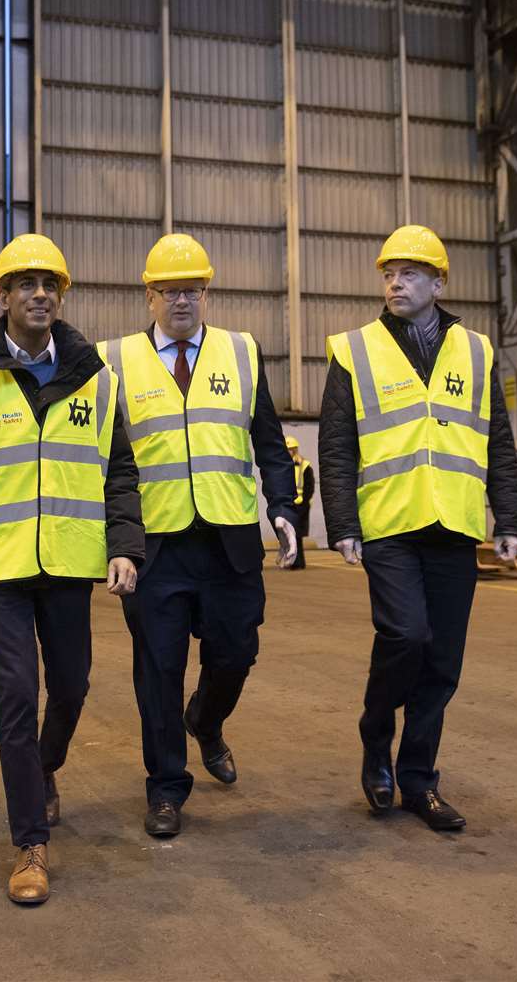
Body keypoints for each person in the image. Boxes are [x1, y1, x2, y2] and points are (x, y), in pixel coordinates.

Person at [0, 233, 143, 906]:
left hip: (71, 561)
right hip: (0, 566)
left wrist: (125, 543)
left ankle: (43, 768)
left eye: (50, 284)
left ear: (61, 296)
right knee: (16, 692)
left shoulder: (96, 378)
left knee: (71, 687)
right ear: (3, 296)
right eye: (25, 284)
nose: (39, 293)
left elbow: (120, 472)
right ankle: (30, 842)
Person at [318, 224, 517, 831]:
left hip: (454, 526)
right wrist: (342, 524)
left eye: (408, 273)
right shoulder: (353, 350)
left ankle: (418, 780)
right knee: (405, 635)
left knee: (442, 662)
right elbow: (336, 447)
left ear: (438, 282)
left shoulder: (478, 351)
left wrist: (508, 516)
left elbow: (498, 443)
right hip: (389, 525)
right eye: (389, 273)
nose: (395, 282)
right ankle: (375, 738)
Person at [98, 233, 298, 840]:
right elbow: (102, 458)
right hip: (153, 547)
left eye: (192, 290)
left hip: (228, 540)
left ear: (206, 293)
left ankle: (206, 721)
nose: (180, 300)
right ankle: (165, 788)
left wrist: (283, 507)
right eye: (168, 291)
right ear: (149, 295)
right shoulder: (113, 361)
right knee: (157, 669)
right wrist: (115, 541)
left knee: (237, 653)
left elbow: (268, 439)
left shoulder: (241, 353)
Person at [285, 434, 315, 571]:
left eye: (291, 449)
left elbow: (310, 486)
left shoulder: (305, 465)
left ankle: (297, 562)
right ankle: (294, 561)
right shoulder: (283, 465)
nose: (289, 452)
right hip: (288, 505)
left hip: (301, 505)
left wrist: (304, 503)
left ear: (295, 450)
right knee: (289, 534)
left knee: (297, 535)